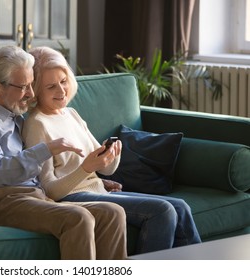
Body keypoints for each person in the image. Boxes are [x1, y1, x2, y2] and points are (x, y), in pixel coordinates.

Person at [0, 45, 127, 260]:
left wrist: (93, 176)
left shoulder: (16, 118)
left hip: (35, 196)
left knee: (113, 212)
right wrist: (45, 150)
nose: (31, 94)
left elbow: (45, 177)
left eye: (31, 85)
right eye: (24, 87)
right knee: (78, 218)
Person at [22, 46, 202, 254]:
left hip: (97, 188)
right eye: (51, 86)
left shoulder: (71, 114)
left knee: (180, 206)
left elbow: (106, 171)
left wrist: (112, 155)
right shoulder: (37, 124)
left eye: (63, 82)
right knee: (162, 211)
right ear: (35, 91)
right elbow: (49, 190)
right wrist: (86, 169)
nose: (61, 91)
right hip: (69, 197)